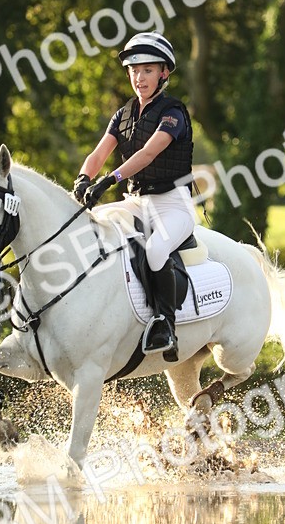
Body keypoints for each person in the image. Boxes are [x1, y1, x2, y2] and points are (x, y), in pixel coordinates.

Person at [73, 31, 196, 362]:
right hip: (136, 202)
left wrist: (108, 180)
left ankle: (166, 327)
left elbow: (147, 154)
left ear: (164, 73)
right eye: (134, 71)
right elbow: (99, 153)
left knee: (156, 249)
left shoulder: (174, 113)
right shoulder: (123, 115)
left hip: (173, 205)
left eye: (147, 70)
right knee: (97, 232)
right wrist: (85, 177)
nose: (139, 78)